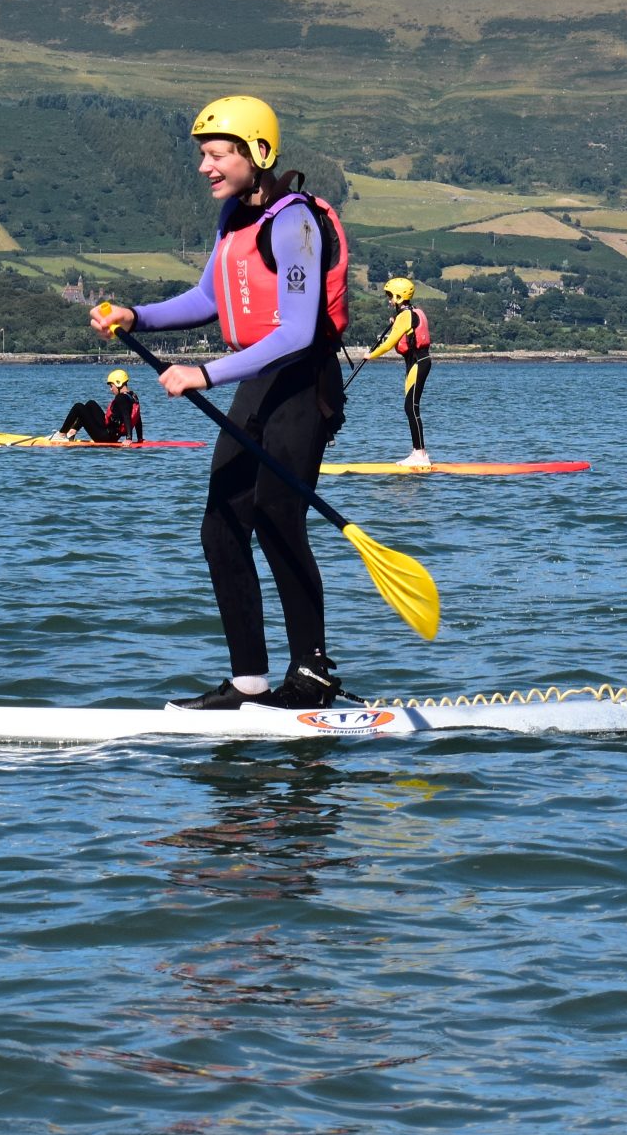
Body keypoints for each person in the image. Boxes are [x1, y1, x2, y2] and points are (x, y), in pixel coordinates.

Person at [90, 95, 350, 711]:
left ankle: (312, 673)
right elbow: (208, 297)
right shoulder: (235, 218)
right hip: (258, 381)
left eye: (216, 155)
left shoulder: (295, 223)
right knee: (221, 527)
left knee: (275, 517)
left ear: (255, 153)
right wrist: (139, 316)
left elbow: (296, 331)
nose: (205, 167)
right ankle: (249, 682)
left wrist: (203, 373)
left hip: (302, 383)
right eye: (203, 156)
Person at [364, 275, 435, 467]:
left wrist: (371, 355)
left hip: (418, 362)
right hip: (417, 362)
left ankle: (420, 455)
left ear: (399, 296)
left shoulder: (405, 316)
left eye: (390, 296)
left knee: (411, 407)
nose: (389, 300)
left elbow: (388, 344)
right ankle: (418, 452)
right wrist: (396, 320)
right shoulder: (414, 312)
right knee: (411, 407)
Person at [56, 369, 144, 443]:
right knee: (91, 404)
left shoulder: (121, 398)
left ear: (118, 383)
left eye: (111, 386)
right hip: (110, 433)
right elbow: (137, 418)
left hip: (105, 437)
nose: (111, 389)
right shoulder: (132, 396)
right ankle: (72, 432)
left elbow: (126, 416)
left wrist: (129, 439)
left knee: (78, 407)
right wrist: (140, 438)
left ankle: (61, 434)